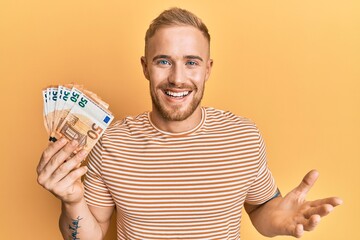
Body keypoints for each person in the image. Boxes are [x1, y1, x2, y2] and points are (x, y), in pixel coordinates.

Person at [37, 7, 342, 240]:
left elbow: (262, 209)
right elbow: (89, 235)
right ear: (145, 67)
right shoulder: (112, 142)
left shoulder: (243, 136)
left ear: (207, 69)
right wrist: (72, 201)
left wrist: (281, 218)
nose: (177, 78)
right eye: (164, 61)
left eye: (191, 62)